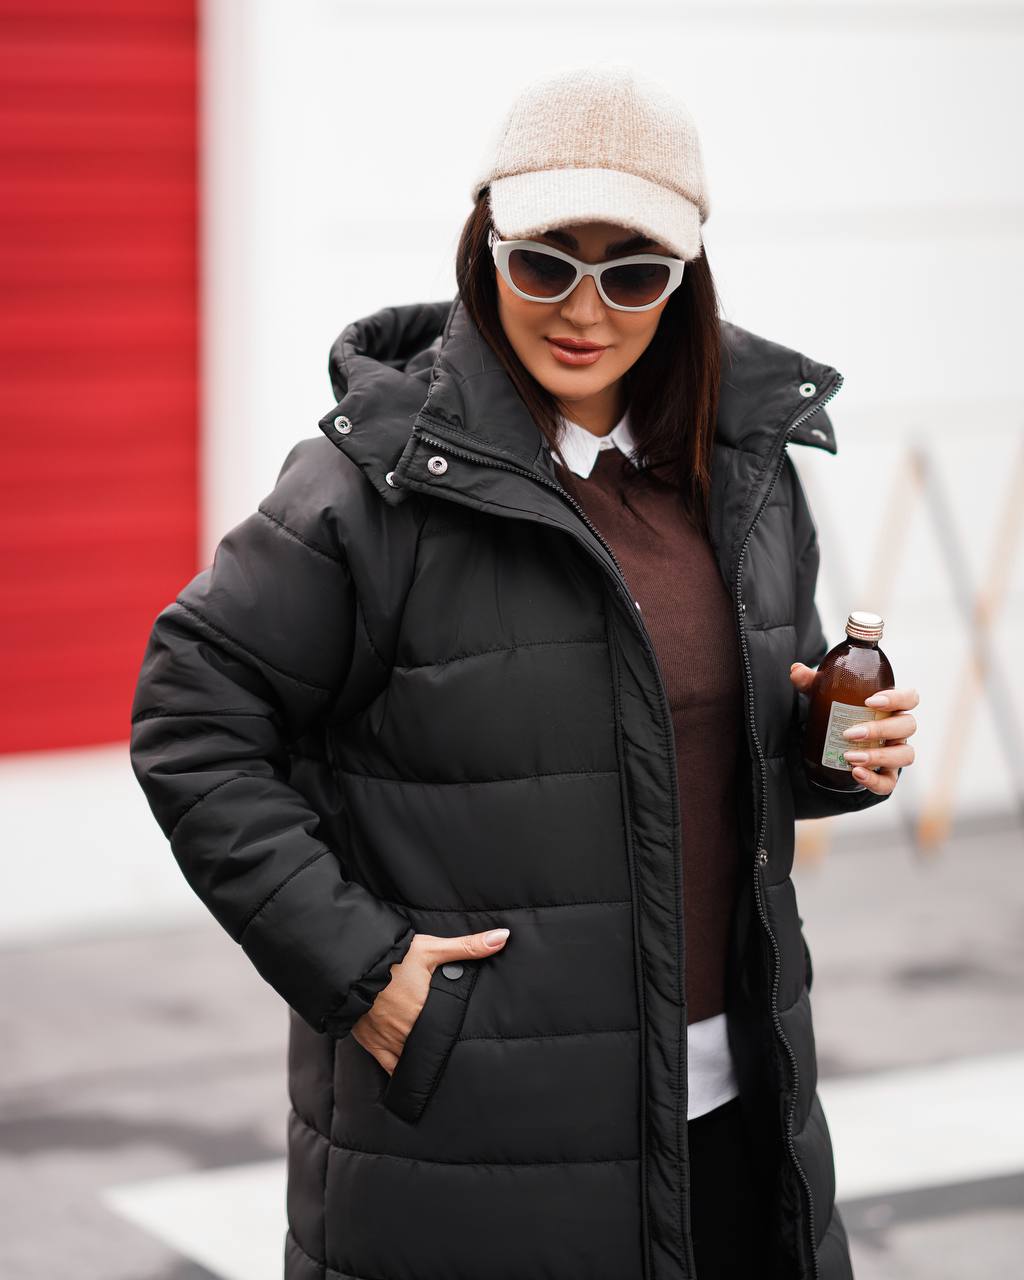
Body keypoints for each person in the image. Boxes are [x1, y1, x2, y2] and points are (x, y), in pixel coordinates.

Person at [129, 64, 918, 1280]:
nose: (582, 309)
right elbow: (192, 715)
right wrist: (362, 971)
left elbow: (718, 746)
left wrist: (828, 752)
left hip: (736, 1116)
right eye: (544, 262)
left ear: (684, 279)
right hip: (477, 1143)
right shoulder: (373, 487)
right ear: (484, 250)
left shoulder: (745, 477)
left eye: (631, 272)